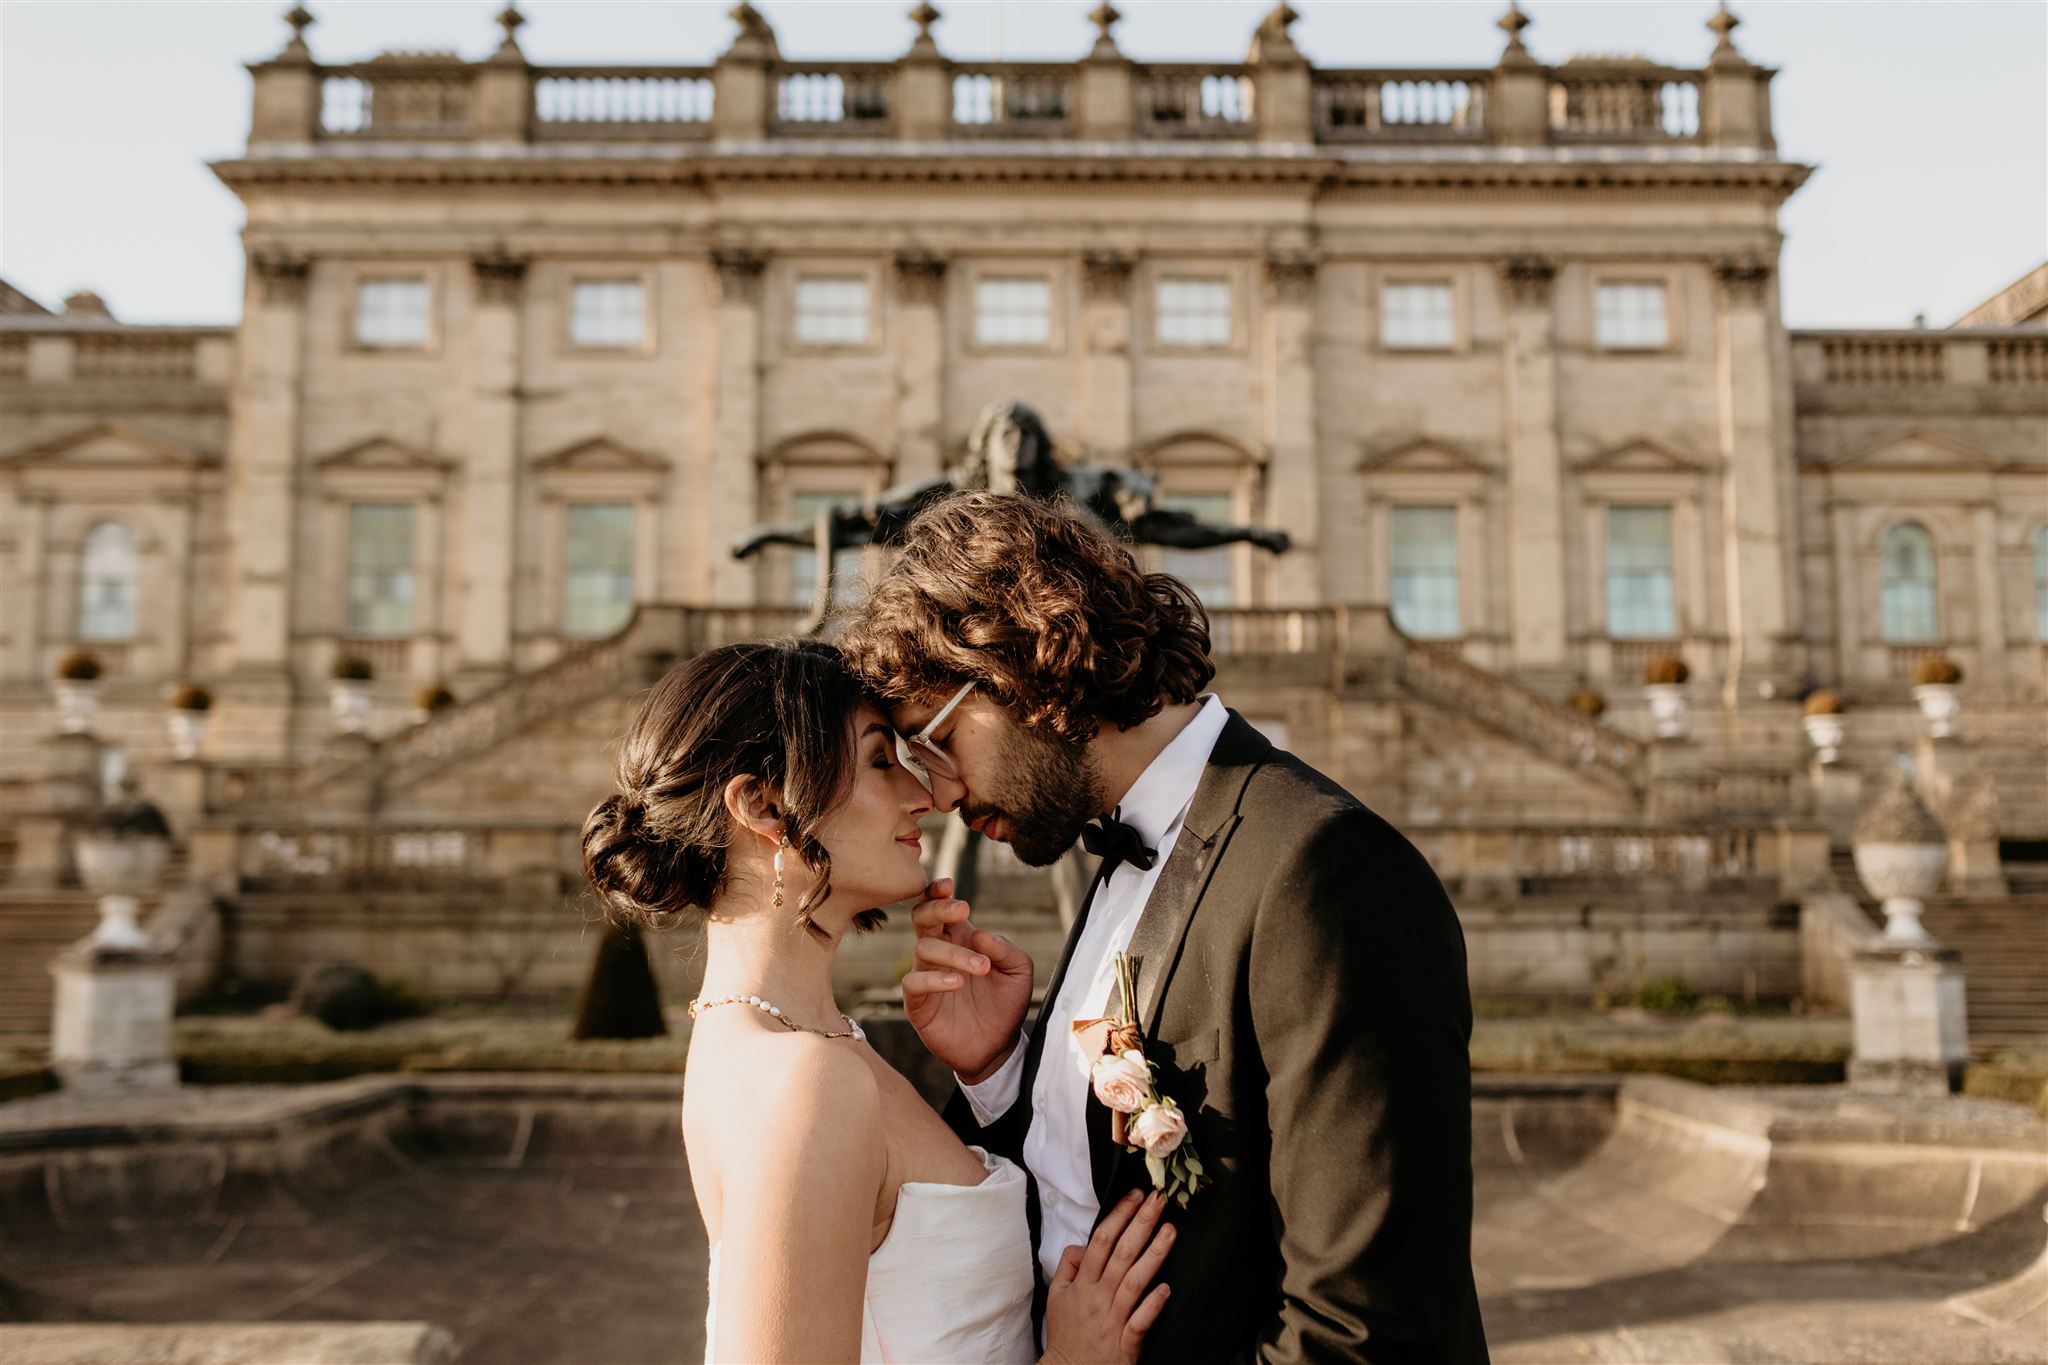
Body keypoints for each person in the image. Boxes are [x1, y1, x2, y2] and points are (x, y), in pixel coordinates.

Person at [838, 493, 1491, 1364]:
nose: (940, 793)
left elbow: (1365, 1333)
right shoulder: (1122, 847)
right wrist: (1003, 1076)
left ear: (1021, 670)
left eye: (936, 742)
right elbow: (1081, 1201)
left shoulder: (1329, 873)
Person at [582, 640, 1173, 1364]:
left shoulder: (795, 1045)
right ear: (763, 805)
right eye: (880, 760)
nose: (924, 793)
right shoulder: (806, 1077)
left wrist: (990, 1065)